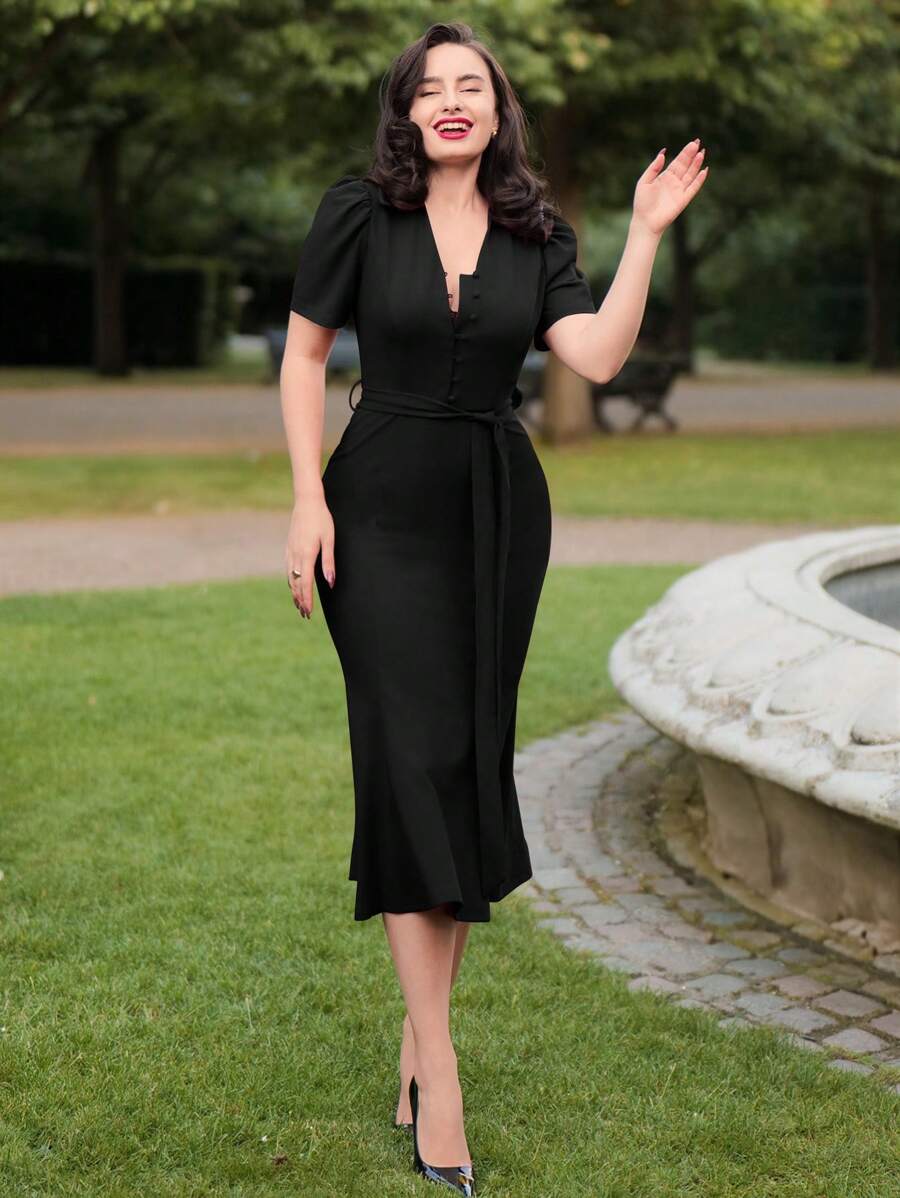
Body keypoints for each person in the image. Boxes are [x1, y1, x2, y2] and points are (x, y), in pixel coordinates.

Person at [279, 20, 707, 1194]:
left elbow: (600, 356)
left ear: (496, 110)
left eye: (474, 86)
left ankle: (417, 1048)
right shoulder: (356, 213)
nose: (454, 102)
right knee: (407, 759)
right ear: (408, 110)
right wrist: (306, 500)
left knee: (463, 768)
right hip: (375, 506)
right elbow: (304, 357)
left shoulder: (538, 230)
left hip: (496, 511)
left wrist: (646, 239)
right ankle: (441, 1065)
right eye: (434, 88)